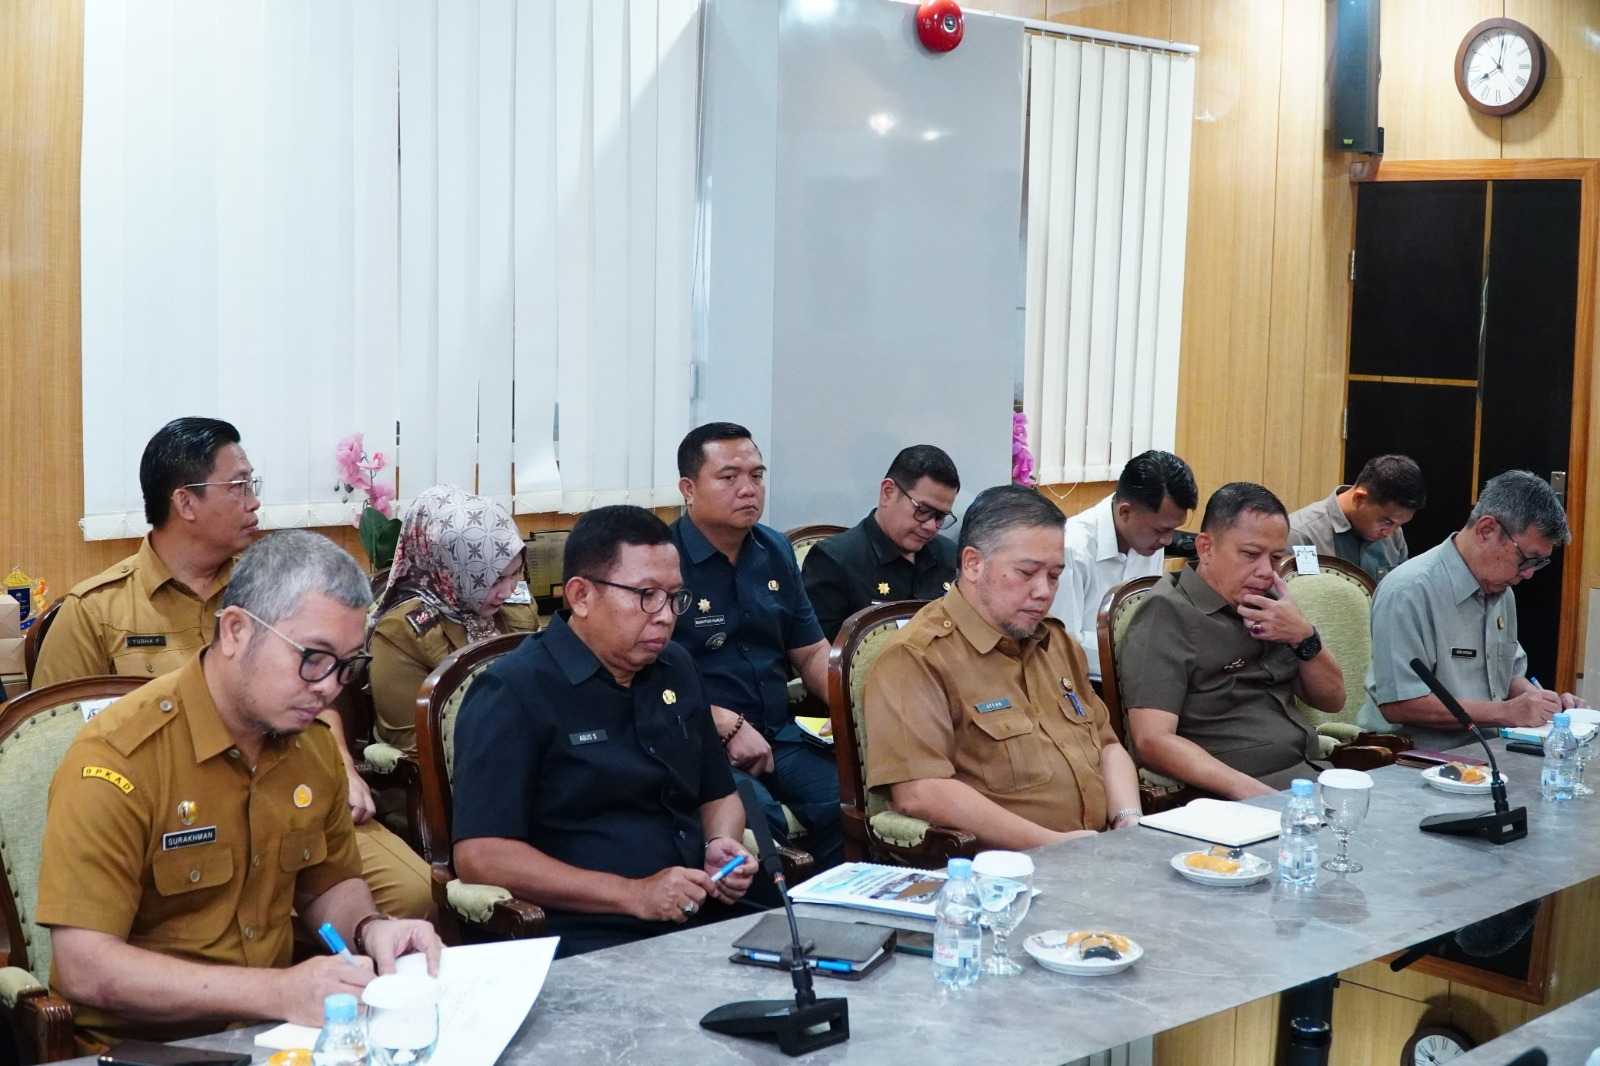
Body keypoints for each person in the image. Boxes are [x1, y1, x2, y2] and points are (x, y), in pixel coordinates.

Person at [36, 531, 442, 1049]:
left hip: (273, 1038)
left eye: (346, 666)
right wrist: (277, 992)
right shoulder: (120, 759)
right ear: (235, 631)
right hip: (144, 1049)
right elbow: (84, 967)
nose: (328, 687)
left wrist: (370, 929)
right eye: (313, 657)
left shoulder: (312, 745)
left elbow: (327, 887)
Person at [33, 417, 433, 922]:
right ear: (186, 502)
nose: (255, 501)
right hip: (171, 816)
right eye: (240, 485)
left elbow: (317, 695)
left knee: (415, 898)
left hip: (289, 791)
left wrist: (344, 768)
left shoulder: (273, 589)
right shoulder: (96, 612)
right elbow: (51, 749)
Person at [451, 505, 756, 957]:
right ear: (581, 596)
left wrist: (720, 843)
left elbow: (719, 794)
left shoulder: (676, 667)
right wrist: (634, 894)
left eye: (675, 597)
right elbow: (480, 855)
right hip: (588, 929)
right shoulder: (513, 691)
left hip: (696, 906)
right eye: (646, 595)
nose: (666, 615)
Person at [862, 484, 1143, 849]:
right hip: (1006, 865)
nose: (1044, 591)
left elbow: (1107, 746)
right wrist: (1056, 845)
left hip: (1097, 852)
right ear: (973, 564)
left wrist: (1128, 820)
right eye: (1027, 573)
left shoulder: (1055, 642)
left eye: (1054, 576)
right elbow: (919, 791)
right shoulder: (918, 657)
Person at [667, 422, 841, 870]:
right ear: (688, 489)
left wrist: (859, 710)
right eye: (729, 477)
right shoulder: (663, 561)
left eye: (757, 475)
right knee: (761, 825)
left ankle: (828, 908)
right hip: (700, 741)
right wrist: (721, 723)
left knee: (846, 802)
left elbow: (812, 653)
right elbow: (642, 678)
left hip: (778, 733)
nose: (748, 489)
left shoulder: (774, 549)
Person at [1120, 483, 1346, 798]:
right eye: (1250, 554)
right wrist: (1260, 797)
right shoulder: (1167, 612)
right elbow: (1152, 741)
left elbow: (1332, 701)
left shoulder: (1270, 604)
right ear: (1205, 548)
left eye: (1275, 557)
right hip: (1235, 795)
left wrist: (1303, 635)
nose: (1266, 571)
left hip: (1308, 775)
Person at [1358, 469, 1584, 751]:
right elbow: (1400, 704)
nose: (1528, 574)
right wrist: (1507, 712)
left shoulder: (1502, 591)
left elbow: (1507, 677)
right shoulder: (1409, 590)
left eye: (1538, 564)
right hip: (1414, 756)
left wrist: (1546, 704)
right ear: (1486, 530)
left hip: (1487, 748)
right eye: (1527, 559)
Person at [367, 485, 540, 756]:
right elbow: (414, 744)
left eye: (515, 573)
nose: (507, 591)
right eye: (492, 580)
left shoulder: (519, 610)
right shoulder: (401, 633)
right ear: (447, 570)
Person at [1049, 450, 1198, 683]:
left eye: (1172, 529)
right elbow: (1062, 644)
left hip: (1137, 677)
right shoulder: (1071, 548)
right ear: (1125, 512)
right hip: (1084, 683)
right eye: (1160, 530)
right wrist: (1141, 653)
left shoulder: (1150, 542)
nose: (1168, 540)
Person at [801, 445, 960, 642]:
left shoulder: (949, 556)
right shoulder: (834, 561)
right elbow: (822, 654)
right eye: (924, 510)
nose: (931, 526)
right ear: (888, 492)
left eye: (940, 517)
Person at [1288, 454, 1426, 583]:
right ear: (1359, 498)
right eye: (1386, 521)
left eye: (1398, 525)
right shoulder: (1301, 535)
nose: (1389, 533)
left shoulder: (1395, 535)